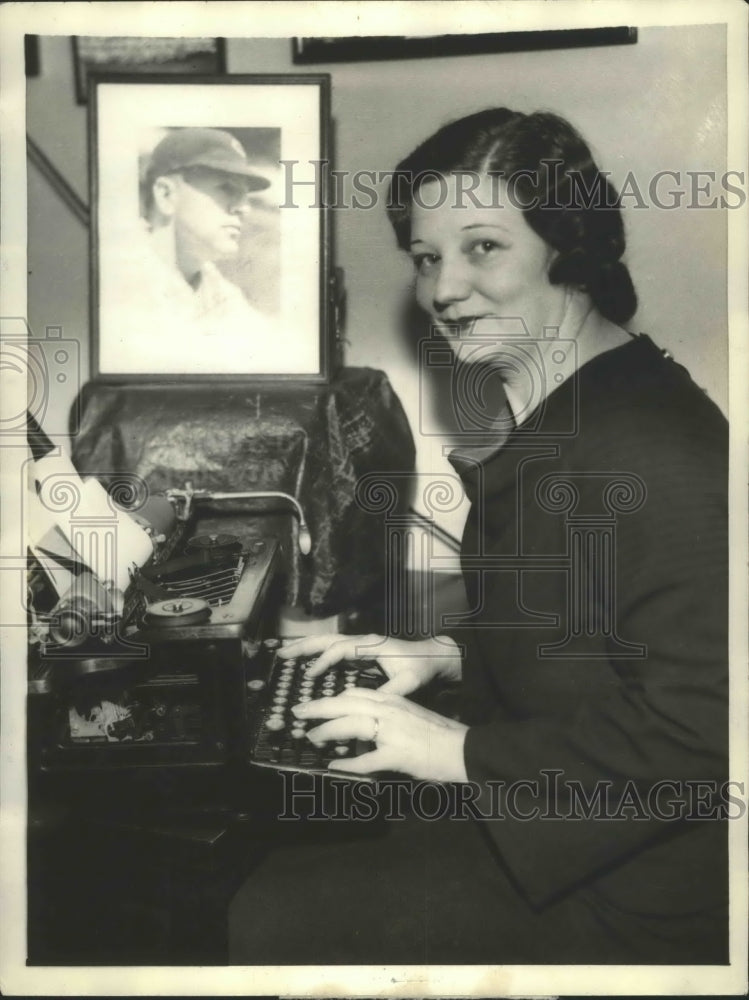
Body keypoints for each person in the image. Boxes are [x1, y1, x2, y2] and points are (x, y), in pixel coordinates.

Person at [229, 109, 728, 965]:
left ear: (566, 247)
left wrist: (453, 748)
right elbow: (594, 621)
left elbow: (707, 733)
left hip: (643, 899)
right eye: (427, 258)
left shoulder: (652, 444)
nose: (443, 290)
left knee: (256, 908)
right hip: (568, 832)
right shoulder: (569, 404)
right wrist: (448, 654)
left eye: (482, 247)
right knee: (278, 862)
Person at [99, 127, 276, 374]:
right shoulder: (113, 283)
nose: (244, 207)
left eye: (245, 195)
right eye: (227, 188)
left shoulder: (215, 288)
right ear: (166, 194)